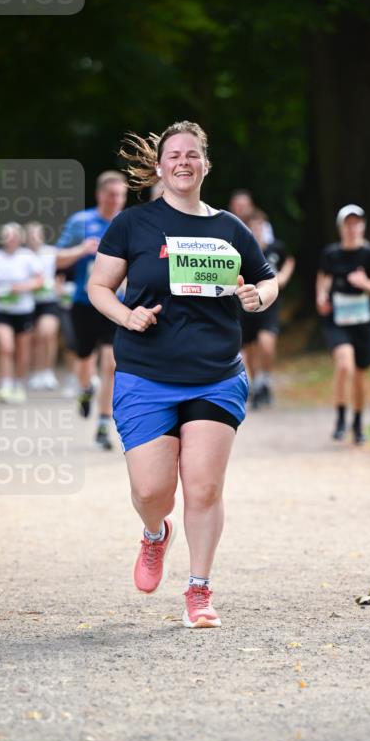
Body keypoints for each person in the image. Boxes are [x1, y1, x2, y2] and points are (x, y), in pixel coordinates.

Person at [88, 121, 278, 629]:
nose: (183, 162)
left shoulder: (230, 228)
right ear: (160, 166)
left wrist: (259, 296)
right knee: (153, 492)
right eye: (174, 155)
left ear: (205, 164)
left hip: (215, 372)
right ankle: (154, 534)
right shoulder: (132, 225)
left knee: (203, 488)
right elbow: (99, 287)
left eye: (192, 154)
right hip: (146, 372)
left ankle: (199, 588)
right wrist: (126, 316)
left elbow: (266, 278)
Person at [56, 171, 128, 449]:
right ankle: (85, 389)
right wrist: (81, 250)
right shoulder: (81, 222)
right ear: (100, 195)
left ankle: (102, 425)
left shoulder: (128, 223)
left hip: (114, 303)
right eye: (111, 195)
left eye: (120, 195)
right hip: (84, 303)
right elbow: (56, 257)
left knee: (111, 363)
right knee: (84, 360)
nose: (116, 200)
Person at [316, 204, 370, 444]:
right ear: (341, 227)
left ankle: (357, 423)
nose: (353, 228)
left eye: (357, 223)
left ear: (363, 227)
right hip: (337, 319)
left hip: (364, 321)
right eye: (348, 223)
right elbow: (323, 278)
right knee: (344, 365)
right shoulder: (331, 254)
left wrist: (364, 282)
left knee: (359, 374)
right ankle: (340, 419)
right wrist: (321, 297)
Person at [241, 208, 295, 407]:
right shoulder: (243, 250)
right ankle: (257, 385)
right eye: (252, 227)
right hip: (247, 306)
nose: (256, 230)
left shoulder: (275, 249)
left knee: (266, 342)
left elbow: (289, 259)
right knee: (250, 348)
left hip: (269, 306)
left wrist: (282, 278)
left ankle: (266, 380)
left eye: (259, 227)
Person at [0, 223, 43, 403]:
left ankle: (19, 384)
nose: (10, 240)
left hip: (23, 309)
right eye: (6, 236)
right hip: (0, 309)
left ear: (19, 238)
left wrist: (21, 288)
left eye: (13, 236)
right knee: (5, 346)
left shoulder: (28, 257)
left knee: (22, 351)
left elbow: (39, 281)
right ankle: (5, 385)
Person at [24, 222, 60, 390]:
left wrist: (84, 248)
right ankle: (36, 372)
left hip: (49, 300)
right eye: (30, 235)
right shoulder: (22, 255)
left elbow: (68, 257)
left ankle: (48, 371)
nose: (34, 238)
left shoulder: (50, 252)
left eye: (37, 234)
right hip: (28, 302)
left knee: (48, 333)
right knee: (35, 338)